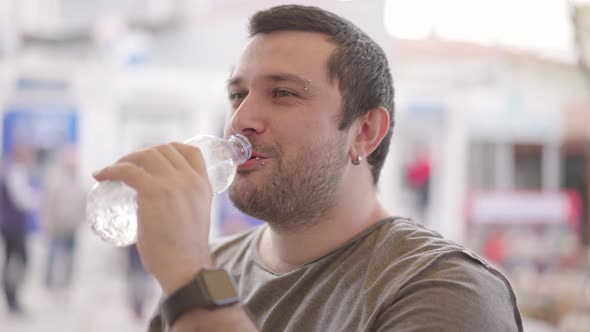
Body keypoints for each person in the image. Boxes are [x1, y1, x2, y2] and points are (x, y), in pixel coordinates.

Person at [93, 5, 523, 332]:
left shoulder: (445, 289)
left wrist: (191, 281)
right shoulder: (215, 265)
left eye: (282, 93)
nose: (241, 118)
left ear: (364, 132)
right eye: (237, 94)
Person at [0, 143, 38, 314]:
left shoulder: (10, 169)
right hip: (12, 225)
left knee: (13, 260)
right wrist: (36, 199)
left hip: (9, 224)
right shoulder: (16, 171)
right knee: (20, 260)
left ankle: (12, 297)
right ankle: (12, 297)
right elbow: (21, 198)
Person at [41, 145, 86, 292]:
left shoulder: (79, 182)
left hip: (72, 226)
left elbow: (83, 203)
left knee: (70, 258)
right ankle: (48, 285)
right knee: (53, 256)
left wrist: (81, 220)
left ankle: (66, 284)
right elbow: (48, 203)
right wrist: (46, 222)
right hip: (57, 226)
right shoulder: (55, 179)